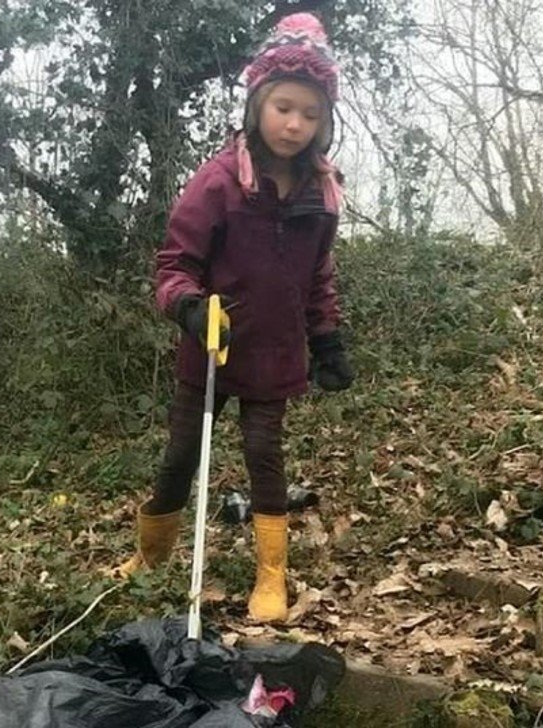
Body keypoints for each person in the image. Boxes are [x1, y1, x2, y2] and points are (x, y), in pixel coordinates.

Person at [118, 12, 354, 623]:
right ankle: (151, 556)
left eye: (309, 113)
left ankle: (271, 576)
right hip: (213, 349)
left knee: (264, 455)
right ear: (258, 104)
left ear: (322, 121)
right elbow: (173, 264)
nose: (294, 123)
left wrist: (327, 339)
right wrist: (189, 308)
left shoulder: (322, 194)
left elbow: (318, 277)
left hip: (275, 355)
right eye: (283, 107)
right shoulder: (220, 180)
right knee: (181, 456)